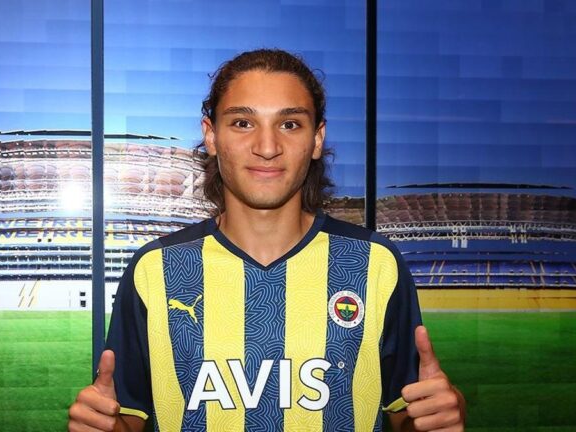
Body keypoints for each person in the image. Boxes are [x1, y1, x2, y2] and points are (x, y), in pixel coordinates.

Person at [68, 49, 465, 432]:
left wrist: (438, 416)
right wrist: (105, 426)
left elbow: (407, 413)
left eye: (289, 124)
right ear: (211, 135)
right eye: (243, 123)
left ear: (316, 139)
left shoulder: (373, 263)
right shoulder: (156, 269)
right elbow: (128, 417)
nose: (267, 147)